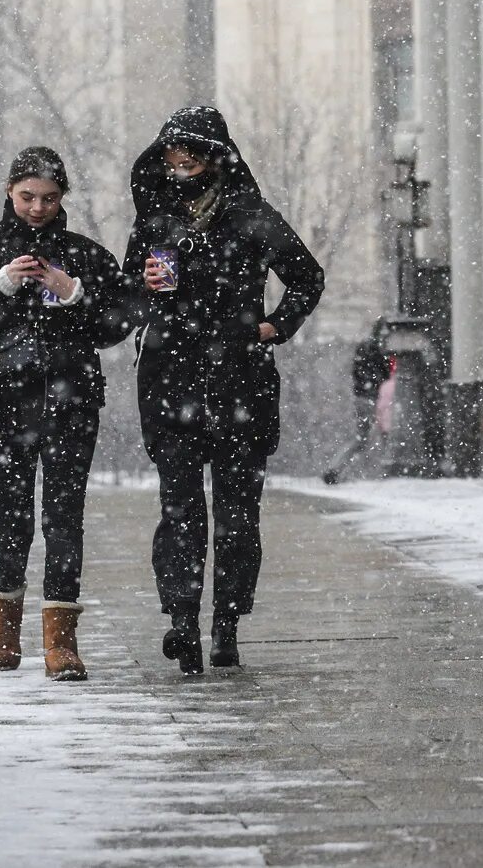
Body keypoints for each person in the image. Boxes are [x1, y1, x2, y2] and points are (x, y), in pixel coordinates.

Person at [126, 106, 324, 675]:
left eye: (191, 148)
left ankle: (227, 625)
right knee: (181, 509)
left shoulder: (251, 216)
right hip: (170, 379)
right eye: (171, 149)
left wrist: (272, 326)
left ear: (216, 156)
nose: (180, 158)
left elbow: (307, 277)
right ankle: (183, 621)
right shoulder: (155, 219)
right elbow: (125, 289)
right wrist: (141, 284)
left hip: (242, 382)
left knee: (238, 514)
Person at [0, 146, 130, 681]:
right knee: (9, 518)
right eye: (27, 197)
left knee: (65, 518)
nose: (37, 208)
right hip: (2, 404)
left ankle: (61, 642)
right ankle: (5, 632)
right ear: (8, 190)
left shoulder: (84, 254)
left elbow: (117, 322)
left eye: (48, 198)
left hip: (72, 403)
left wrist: (73, 293)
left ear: (62, 197)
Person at [322, 317, 393, 485]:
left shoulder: (365, 347)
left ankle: (335, 469)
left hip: (363, 397)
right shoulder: (383, 349)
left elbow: (357, 372)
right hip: (379, 396)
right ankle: (390, 472)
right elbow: (385, 373)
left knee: (361, 439)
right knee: (387, 435)